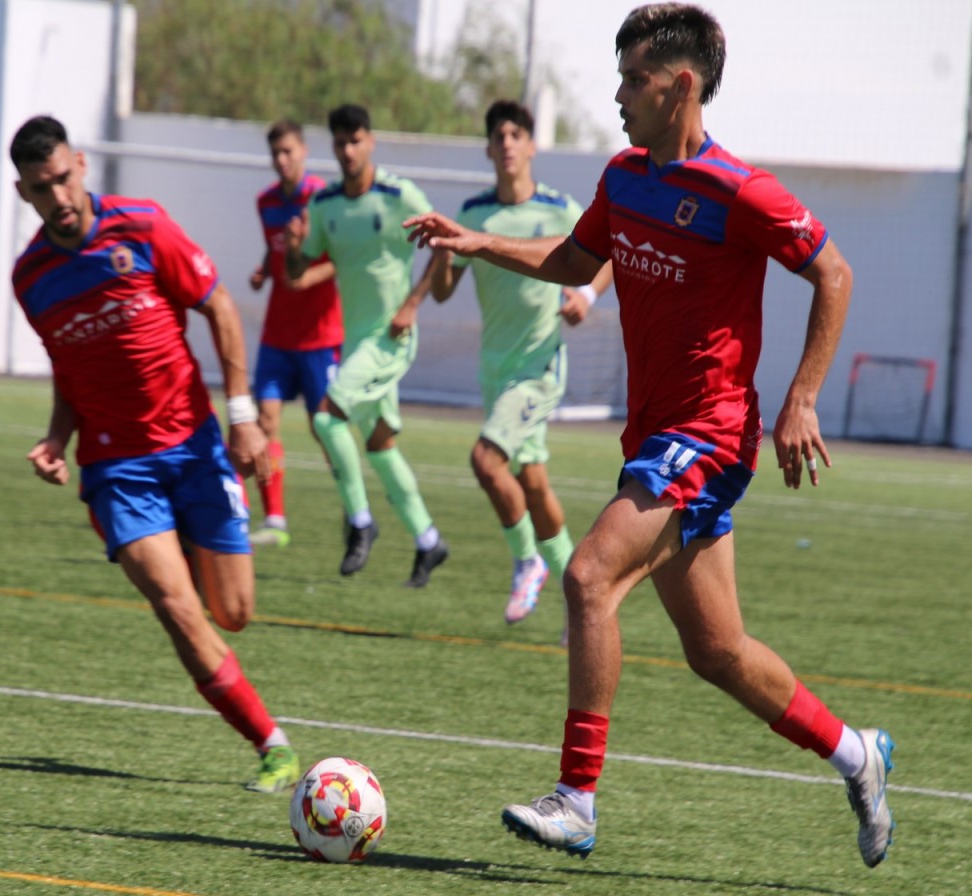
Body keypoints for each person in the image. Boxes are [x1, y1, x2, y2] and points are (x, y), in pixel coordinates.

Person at [405, 3, 893, 869]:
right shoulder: (625, 176)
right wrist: (476, 239)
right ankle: (859, 756)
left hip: (709, 434)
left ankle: (577, 800)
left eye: (634, 80)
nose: (620, 94)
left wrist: (802, 397)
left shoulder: (740, 191)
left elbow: (833, 271)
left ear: (682, 86)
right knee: (718, 651)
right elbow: (572, 260)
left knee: (590, 576)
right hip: (654, 435)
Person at [9, 115, 299, 793]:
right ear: (22, 193)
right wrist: (58, 437)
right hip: (116, 470)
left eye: (62, 177)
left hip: (196, 446)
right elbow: (70, 367)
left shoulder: (142, 227)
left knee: (234, 613)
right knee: (177, 607)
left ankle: (196, 556)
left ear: (80, 165)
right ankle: (272, 745)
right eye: (40, 187)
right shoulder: (32, 279)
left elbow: (220, 306)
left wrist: (243, 418)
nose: (57, 196)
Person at [431, 99, 611, 635]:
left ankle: (526, 560)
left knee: (487, 462)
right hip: (496, 370)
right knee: (532, 484)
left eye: (517, 133)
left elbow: (607, 257)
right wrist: (443, 248)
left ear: (531, 146)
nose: (507, 142)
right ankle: (581, 604)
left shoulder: (559, 208)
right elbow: (443, 292)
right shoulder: (474, 214)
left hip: (538, 368)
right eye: (498, 135)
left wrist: (586, 297)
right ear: (488, 148)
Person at [286, 103, 448, 587]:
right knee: (379, 447)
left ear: (370, 141)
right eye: (340, 142)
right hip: (355, 343)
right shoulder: (324, 205)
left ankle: (359, 521)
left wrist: (414, 304)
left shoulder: (399, 195)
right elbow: (297, 275)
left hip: (391, 339)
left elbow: (442, 243)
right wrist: (294, 247)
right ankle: (428, 539)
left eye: (356, 140)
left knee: (323, 417)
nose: (348, 150)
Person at [245, 119, 343, 548]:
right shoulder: (265, 202)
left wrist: (306, 278)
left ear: (303, 151)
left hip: (320, 335)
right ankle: (276, 520)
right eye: (276, 154)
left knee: (324, 428)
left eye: (289, 151)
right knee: (265, 421)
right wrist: (265, 269)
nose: (282, 160)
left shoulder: (323, 199)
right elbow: (275, 247)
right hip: (276, 334)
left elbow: (341, 256)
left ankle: (353, 511)